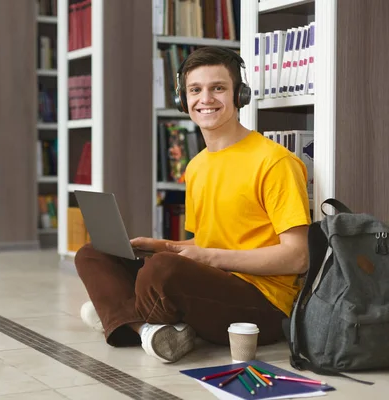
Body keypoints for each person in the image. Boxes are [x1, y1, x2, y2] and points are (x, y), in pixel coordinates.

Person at [74, 46, 312, 363]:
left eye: (218, 88)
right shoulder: (197, 166)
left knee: (162, 271)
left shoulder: (275, 161)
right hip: (213, 284)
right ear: (182, 101)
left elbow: (297, 257)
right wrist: (163, 246)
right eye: (195, 90)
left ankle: (122, 317)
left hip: (264, 304)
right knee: (93, 253)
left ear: (239, 95)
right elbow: (204, 241)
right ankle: (149, 331)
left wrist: (203, 258)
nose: (206, 99)